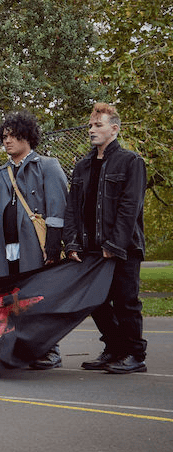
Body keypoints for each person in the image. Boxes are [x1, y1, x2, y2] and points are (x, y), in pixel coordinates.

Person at [64, 103, 148, 374]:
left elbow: (130, 207)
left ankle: (134, 354)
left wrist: (114, 245)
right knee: (96, 302)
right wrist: (72, 243)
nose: (91, 130)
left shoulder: (131, 162)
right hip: (90, 249)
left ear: (114, 129)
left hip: (123, 249)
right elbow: (72, 209)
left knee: (126, 302)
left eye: (98, 125)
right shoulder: (82, 166)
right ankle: (114, 348)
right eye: (90, 125)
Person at [0, 112, 68, 370]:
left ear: (27, 136)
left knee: (38, 298)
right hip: (4, 247)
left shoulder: (47, 166)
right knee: (11, 299)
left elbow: (58, 208)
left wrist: (53, 246)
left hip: (35, 246)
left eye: (13, 136)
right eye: (4, 136)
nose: (7, 141)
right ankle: (20, 349)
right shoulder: (0, 173)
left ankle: (49, 350)